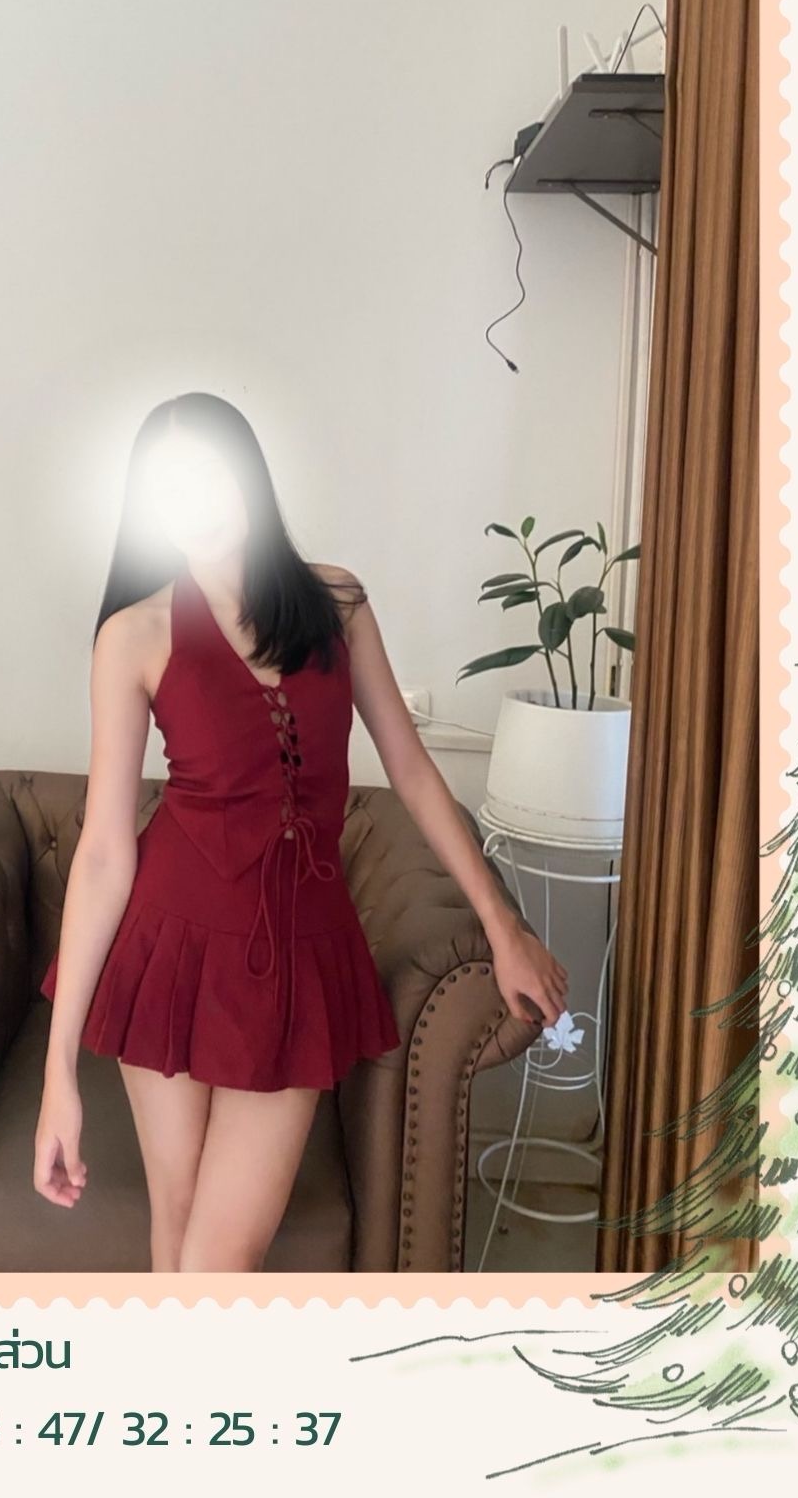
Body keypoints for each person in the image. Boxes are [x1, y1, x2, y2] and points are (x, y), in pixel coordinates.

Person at [34, 392, 569, 1272]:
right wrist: (59, 1074)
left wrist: (503, 927)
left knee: (215, 1261)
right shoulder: (134, 634)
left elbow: (411, 770)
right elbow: (101, 851)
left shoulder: (337, 602)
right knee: (179, 1232)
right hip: (168, 946)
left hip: (299, 951)